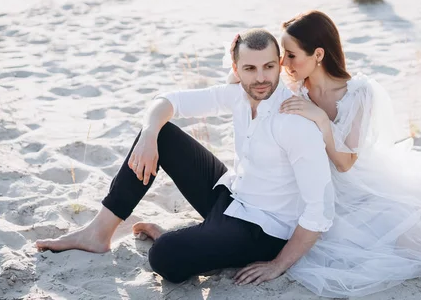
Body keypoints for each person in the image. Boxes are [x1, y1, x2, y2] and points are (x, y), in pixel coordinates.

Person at [35, 28, 335, 286]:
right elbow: (169, 101)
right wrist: (149, 134)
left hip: (261, 230)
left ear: (280, 64)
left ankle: (193, 237)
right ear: (236, 66)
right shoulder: (239, 95)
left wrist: (278, 264)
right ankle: (99, 233)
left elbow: (320, 209)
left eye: (269, 67)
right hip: (232, 196)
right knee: (160, 132)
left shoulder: (295, 123)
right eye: (250, 69)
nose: (261, 79)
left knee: (165, 255)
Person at [229, 11, 421, 298]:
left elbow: (345, 162)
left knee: (415, 240)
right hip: (310, 184)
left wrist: (321, 119)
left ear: (318, 54)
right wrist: (235, 57)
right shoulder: (293, 88)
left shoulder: (358, 93)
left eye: (291, 55)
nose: (283, 63)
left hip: (355, 185)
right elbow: (244, 88)